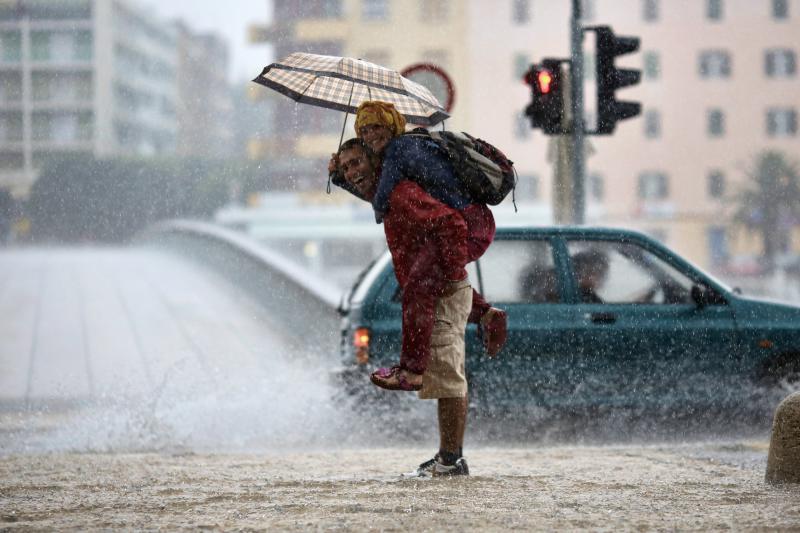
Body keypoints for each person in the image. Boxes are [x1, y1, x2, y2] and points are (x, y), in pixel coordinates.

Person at [332, 136, 499, 476]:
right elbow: (369, 192)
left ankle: (450, 461)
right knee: (444, 375)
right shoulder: (385, 193)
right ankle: (447, 457)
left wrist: (452, 276)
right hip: (438, 284)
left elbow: (450, 224)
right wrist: (338, 178)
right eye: (346, 166)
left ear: (376, 160)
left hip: (441, 289)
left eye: (357, 163)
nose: (352, 172)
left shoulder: (400, 193)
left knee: (447, 375)